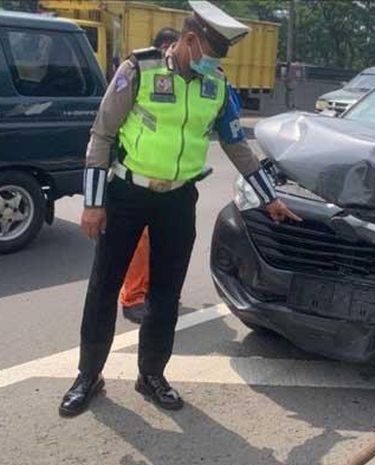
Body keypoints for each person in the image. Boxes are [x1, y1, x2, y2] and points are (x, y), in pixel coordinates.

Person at [59, 0, 300, 418]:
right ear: (190, 40)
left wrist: (270, 198)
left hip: (178, 201)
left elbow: (236, 145)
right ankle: (88, 375)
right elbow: (101, 136)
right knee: (103, 288)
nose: (215, 63)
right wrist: (93, 204)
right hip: (127, 196)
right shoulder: (138, 70)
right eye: (211, 53)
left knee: (166, 293)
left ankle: (151, 375)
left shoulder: (217, 86)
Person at [120, 26, 181, 325]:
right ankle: (132, 297)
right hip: (133, 178)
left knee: (159, 244)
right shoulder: (140, 74)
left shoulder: (184, 81)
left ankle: (149, 293)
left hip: (171, 185)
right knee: (139, 243)